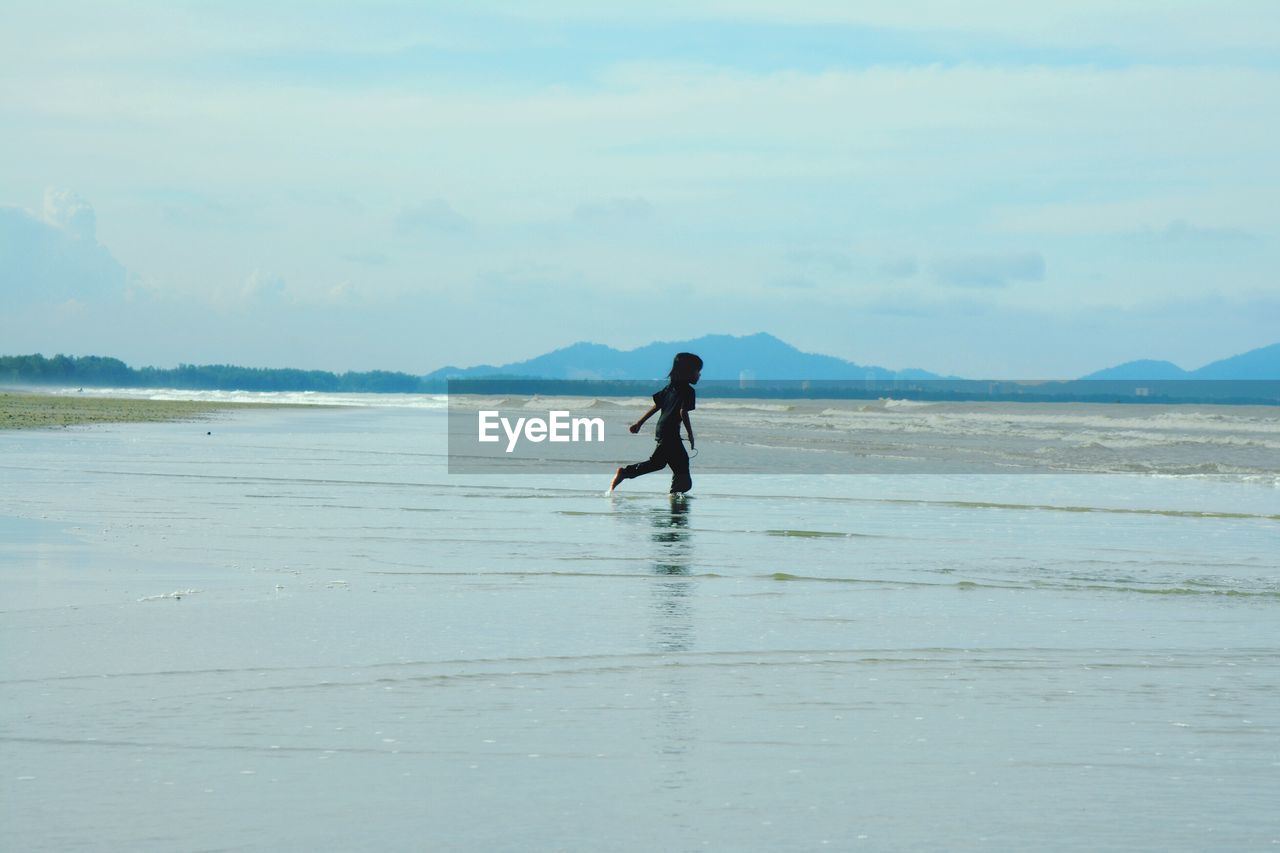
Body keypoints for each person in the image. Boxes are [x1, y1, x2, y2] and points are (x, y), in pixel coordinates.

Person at [610, 352, 702, 495]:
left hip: (663, 429)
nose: (699, 375)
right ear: (688, 372)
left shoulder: (670, 388)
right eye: (698, 371)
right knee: (680, 468)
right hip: (670, 433)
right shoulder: (688, 391)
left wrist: (639, 423)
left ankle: (675, 495)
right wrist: (690, 434)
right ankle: (675, 498)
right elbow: (683, 412)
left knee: (659, 463)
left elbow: (657, 406)